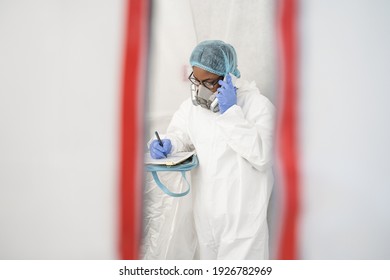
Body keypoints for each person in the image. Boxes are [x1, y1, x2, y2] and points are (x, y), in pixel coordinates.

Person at [149, 40, 275, 259]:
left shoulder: (258, 106)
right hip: (206, 221)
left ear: (227, 77)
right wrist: (168, 143)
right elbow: (180, 134)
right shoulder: (192, 109)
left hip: (243, 225)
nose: (199, 89)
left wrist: (231, 113)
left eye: (207, 82)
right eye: (195, 80)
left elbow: (263, 157)